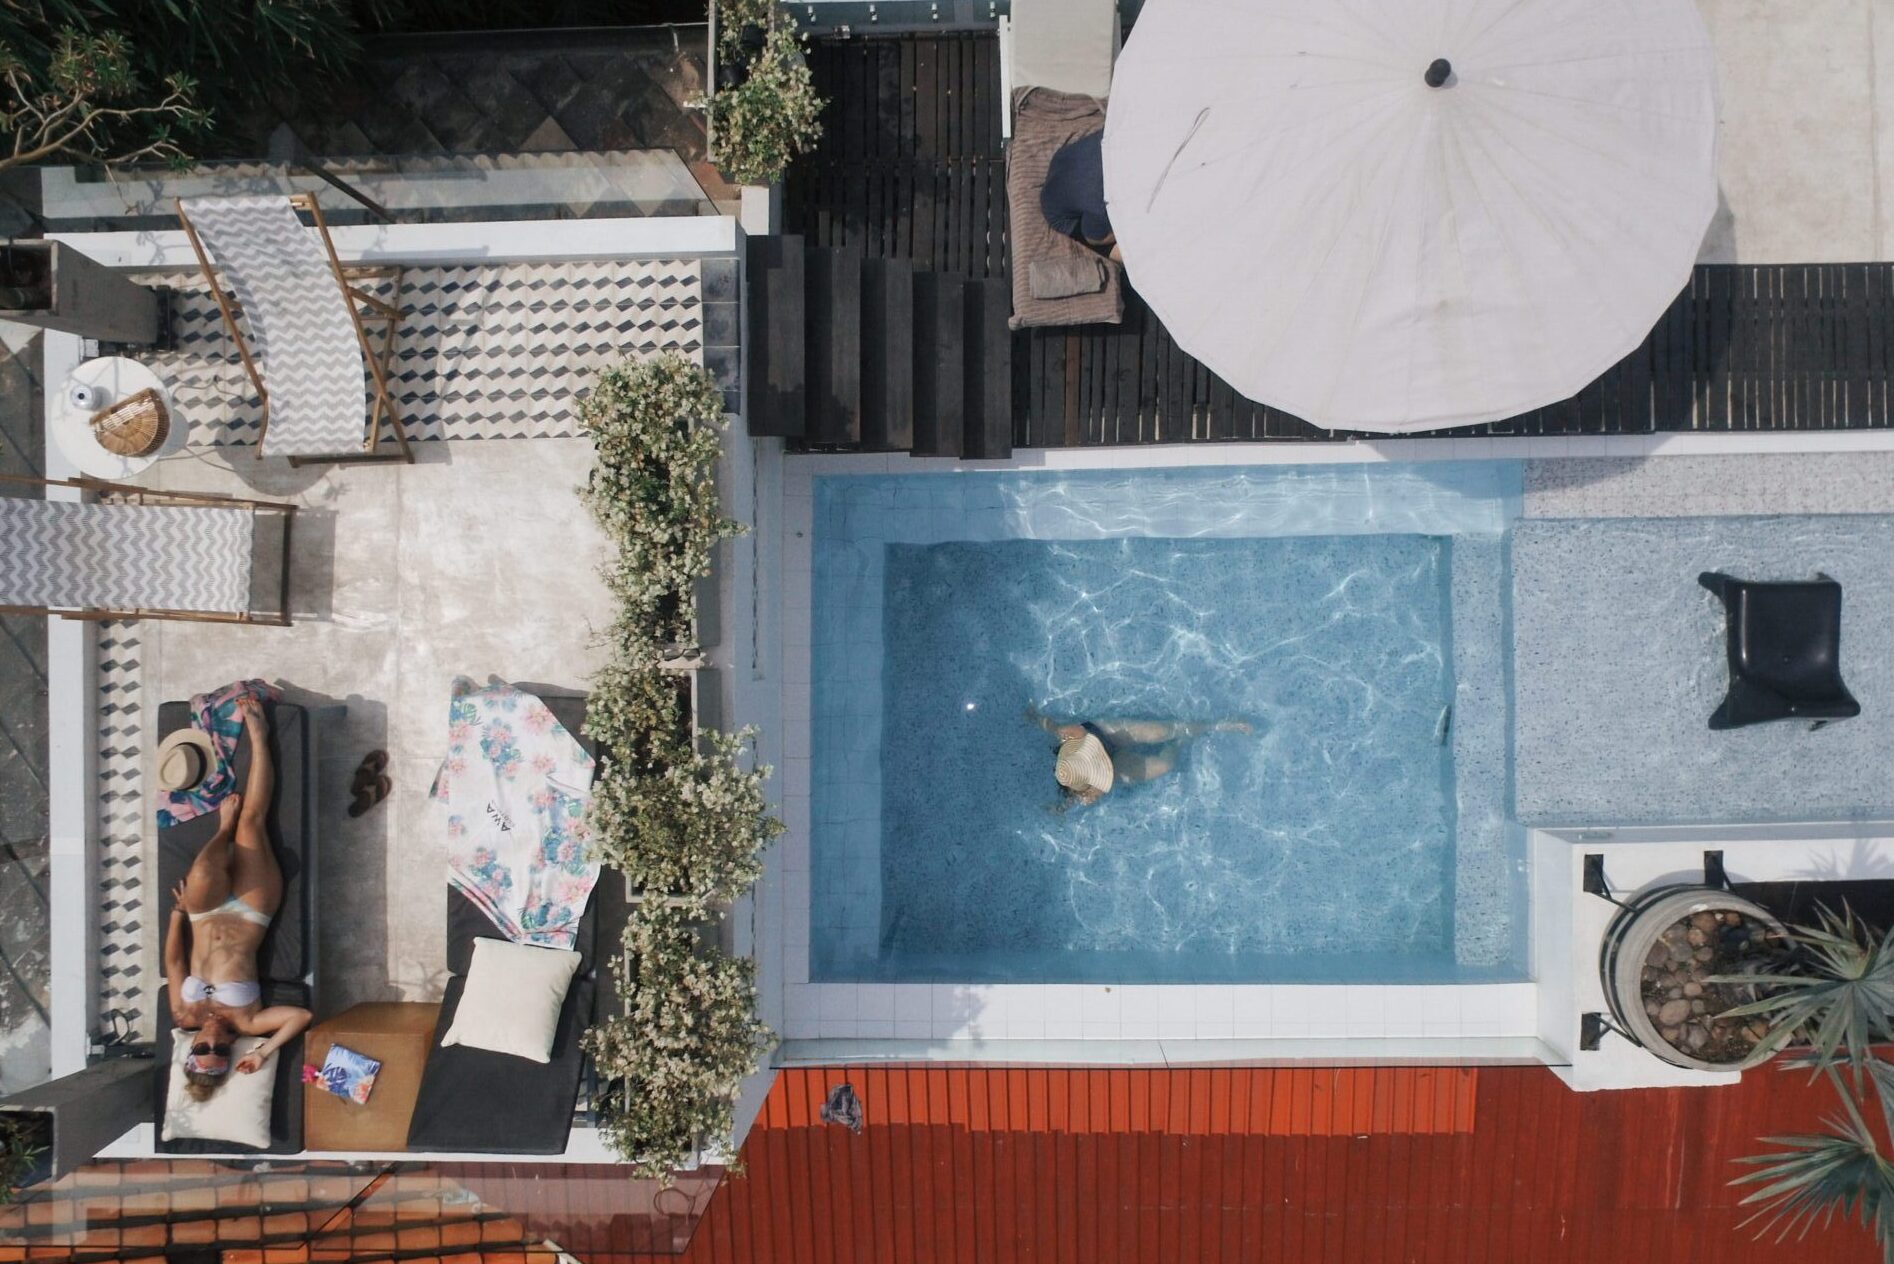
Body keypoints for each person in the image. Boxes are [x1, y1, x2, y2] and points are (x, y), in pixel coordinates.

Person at [162, 696, 311, 1101]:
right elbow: (301, 1015)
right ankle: (259, 738)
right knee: (253, 821)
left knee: (202, 875)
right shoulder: (249, 1023)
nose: (214, 1043)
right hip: (251, 911)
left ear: (191, 1048)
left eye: (203, 1050)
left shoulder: (183, 1013)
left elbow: (175, 961)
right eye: (220, 1053)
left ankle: (221, 830)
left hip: (203, 912)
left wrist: (178, 914)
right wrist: (263, 1052)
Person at [1029, 706, 1252, 807]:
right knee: (1164, 764)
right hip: (1113, 767)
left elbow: (1049, 724)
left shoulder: (1070, 734)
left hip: (1102, 735)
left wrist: (1035, 717)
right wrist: (1062, 808)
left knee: (1161, 731)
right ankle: (1182, 742)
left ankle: (1218, 726)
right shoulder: (1084, 789)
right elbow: (1084, 797)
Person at [1040, 131, 1122, 261]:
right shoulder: (1101, 202)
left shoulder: (1119, 129)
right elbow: (1094, 238)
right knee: (1125, 246)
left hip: (1064, 163)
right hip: (1069, 217)